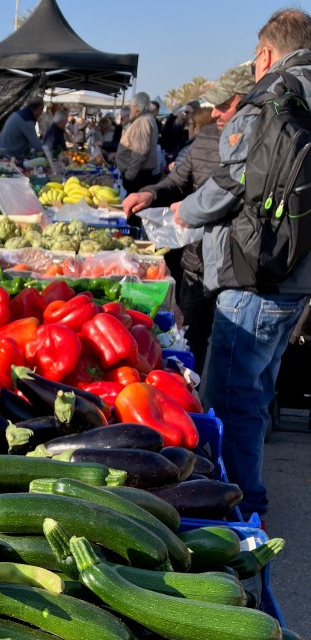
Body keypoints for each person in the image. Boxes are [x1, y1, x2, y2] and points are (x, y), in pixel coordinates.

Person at [173, 8, 311, 521]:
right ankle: (247, 497)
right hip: (298, 276)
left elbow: (232, 183)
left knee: (230, 400)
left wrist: (183, 211)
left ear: (267, 54)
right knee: (258, 391)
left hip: (256, 274)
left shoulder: (273, 96)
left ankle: (236, 507)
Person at [123, 65, 255, 374]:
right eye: (215, 106)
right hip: (196, 265)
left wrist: (197, 209)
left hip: (237, 270)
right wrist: (152, 194)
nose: (216, 114)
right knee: (192, 340)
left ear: (248, 103)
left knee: (233, 360)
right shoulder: (207, 136)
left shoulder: (261, 145)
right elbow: (179, 181)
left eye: (225, 105)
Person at [115, 92, 160, 192]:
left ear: (137, 107)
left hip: (137, 175)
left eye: (132, 106)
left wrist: (129, 176)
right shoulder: (148, 119)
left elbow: (140, 152)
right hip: (139, 173)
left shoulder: (143, 121)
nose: (131, 109)